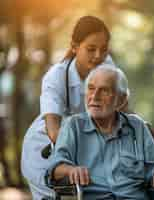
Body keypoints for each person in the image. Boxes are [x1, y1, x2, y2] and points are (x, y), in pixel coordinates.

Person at [46, 64, 154, 200]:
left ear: (121, 100)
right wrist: (70, 170)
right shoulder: (73, 125)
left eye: (104, 90)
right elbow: (55, 167)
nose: (94, 97)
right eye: (91, 88)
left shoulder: (137, 126)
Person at [21, 16, 116, 200]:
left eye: (103, 49)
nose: (98, 55)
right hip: (44, 150)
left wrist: (139, 126)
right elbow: (54, 132)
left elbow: (121, 107)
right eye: (91, 49)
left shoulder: (107, 65)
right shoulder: (55, 78)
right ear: (74, 47)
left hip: (81, 149)